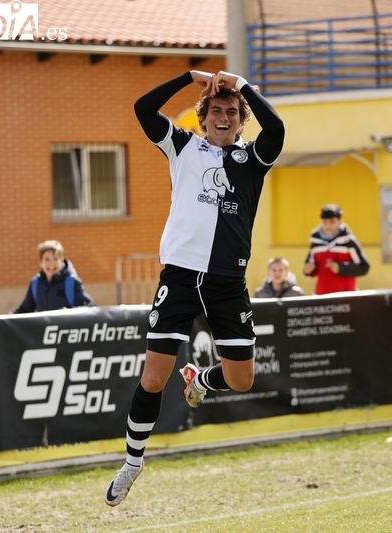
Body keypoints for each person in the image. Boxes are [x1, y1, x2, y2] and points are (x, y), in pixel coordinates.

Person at [104, 69, 285, 507]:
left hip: (227, 283)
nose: (223, 117)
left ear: (241, 121)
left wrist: (242, 86)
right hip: (180, 278)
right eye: (216, 111)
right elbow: (144, 109)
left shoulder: (253, 159)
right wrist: (189, 78)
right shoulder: (182, 145)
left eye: (232, 112)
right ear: (203, 118)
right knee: (153, 378)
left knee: (242, 380)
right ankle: (132, 462)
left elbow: (276, 128)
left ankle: (201, 379)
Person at [303, 204, 370, 294]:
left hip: (346, 296)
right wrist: (308, 270)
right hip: (322, 295)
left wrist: (341, 268)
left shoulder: (349, 241)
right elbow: (310, 266)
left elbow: (364, 267)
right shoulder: (316, 242)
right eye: (325, 222)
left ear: (340, 222)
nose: (328, 225)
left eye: (332, 221)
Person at [13, 240, 94, 313]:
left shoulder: (72, 282)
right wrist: (4, 320)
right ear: (41, 262)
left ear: (61, 260)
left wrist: (70, 312)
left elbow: (90, 307)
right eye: (47, 259)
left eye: (55, 259)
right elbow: (24, 310)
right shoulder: (36, 283)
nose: (51, 264)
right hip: (44, 329)